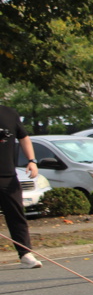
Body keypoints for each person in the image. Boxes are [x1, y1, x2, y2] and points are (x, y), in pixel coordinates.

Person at [0, 105, 42, 268]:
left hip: (7, 175)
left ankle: (25, 254)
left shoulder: (9, 113)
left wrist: (32, 161)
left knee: (16, 215)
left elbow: (24, 138)